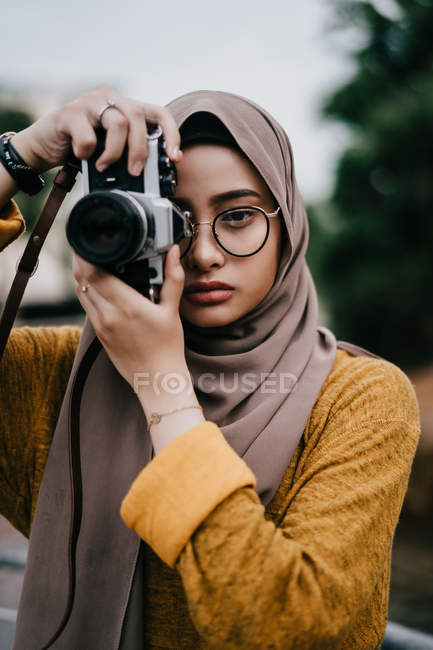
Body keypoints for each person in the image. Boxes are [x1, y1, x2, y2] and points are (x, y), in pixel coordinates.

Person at [0, 85, 420, 649]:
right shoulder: (56, 378)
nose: (202, 255)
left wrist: (161, 386)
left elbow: (290, 627)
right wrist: (22, 154)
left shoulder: (359, 399)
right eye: (173, 220)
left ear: (289, 223)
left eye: (240, 216)